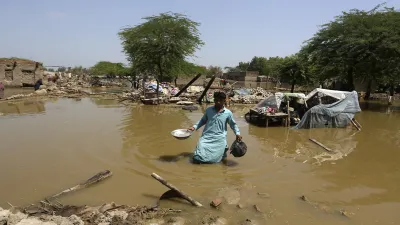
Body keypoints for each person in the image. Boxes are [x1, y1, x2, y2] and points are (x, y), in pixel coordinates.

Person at [188, 91, 242, 164]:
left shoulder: (228, 113)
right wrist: (194, 127)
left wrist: (237, 133)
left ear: (224, 101)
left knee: (219, 159)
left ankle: (222, 170)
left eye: (220, 101)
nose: (218, 102)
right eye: (216, 100)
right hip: (206, 137)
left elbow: (233, 124)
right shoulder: (208, 110)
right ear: (214, 100)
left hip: (220, 138)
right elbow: (202, 120)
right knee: (198, 156)